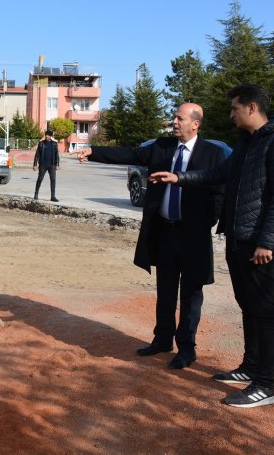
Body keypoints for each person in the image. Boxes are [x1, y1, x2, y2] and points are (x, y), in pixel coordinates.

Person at [150, 84, 274, 408]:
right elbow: (219, 174)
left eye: (234, 108)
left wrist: (268, 242)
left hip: (259, 244)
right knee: (247, 305)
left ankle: (265, 384)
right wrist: (180, 179)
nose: (230, 115)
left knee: (264, 311)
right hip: (238, 237)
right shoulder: (247, 142)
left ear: (251, 108)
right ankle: (250, 366)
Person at [77, 103, 225, 369]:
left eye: (180, 118)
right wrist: (94, 151)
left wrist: (207, 220)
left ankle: (187, 348)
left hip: (194, 236)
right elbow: (130, 153)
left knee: (191, 294)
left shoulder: (212, 154)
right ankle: (162, 339)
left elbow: (219, 192)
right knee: (165, 290)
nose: (174, 121)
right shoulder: (163, 146)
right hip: (165, 231)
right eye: (174, 117)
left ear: (196, 123)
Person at [33, 129, 60, 201]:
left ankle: (53, 196)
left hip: (52, 165)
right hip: (43, 165)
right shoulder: (41, 143)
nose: (46, 136)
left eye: (48, 135)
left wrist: (57, 164)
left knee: (53, 180)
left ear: (50, 136)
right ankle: (36, 194)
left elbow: (57, 155)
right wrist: (35, 164)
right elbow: (37, 155)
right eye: (46, 135)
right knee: (40, 179)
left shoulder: (54, 144)